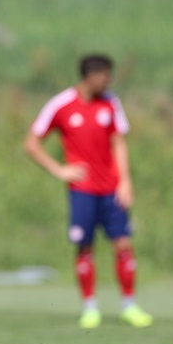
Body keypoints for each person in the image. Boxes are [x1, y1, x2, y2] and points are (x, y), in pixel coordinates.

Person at [24, 54, 153, 329]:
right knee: (85, 247)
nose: (109, 81)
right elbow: (31, 143)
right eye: (105, 76)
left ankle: (129, 306)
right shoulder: (61, 104)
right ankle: (90, 308)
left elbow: (119, 142)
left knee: (123, 244)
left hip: (111, 189)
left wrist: (125, 181)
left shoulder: (111, 102)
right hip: (82, 189)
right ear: (91, 76)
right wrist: (59, 170)